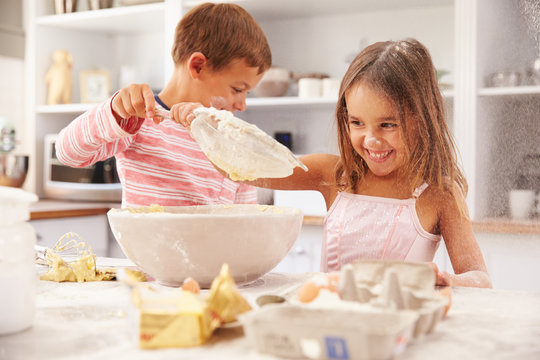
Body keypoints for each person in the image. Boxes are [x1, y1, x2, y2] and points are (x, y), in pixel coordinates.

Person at [172, 38, 492, 288]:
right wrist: (201, 127)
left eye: (387, 125)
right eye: (357, 123)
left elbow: (480, 278)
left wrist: (448, 280)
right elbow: (241, 169)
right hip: (330, 325)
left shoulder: (439, 194)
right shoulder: (334, 175)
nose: (370, 140)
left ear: (422, 119)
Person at [55, 3, 272, 208]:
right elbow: (67, 152)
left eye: (247, 92)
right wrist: (114, 111)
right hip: (148, 248)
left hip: (215, 248)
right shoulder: (137, 120)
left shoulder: (232, 139)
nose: (242, 105)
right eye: (237, 89)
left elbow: (246, 217)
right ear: (198, 67)